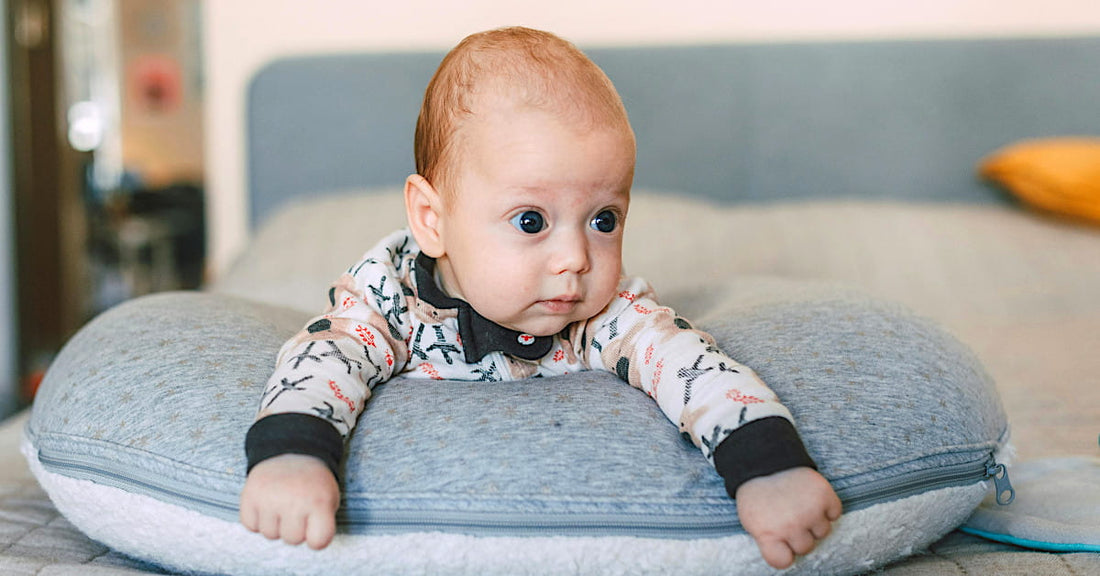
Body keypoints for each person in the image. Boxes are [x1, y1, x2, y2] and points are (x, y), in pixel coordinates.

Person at [239, 26, 841, 570]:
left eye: (604, 219)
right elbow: (324, 362)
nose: (576, 258)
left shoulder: (605, 312)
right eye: (531, 221)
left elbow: (691, 366)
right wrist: (294, 453)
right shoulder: (387, 300)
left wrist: (767, 465)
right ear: (432, 219)